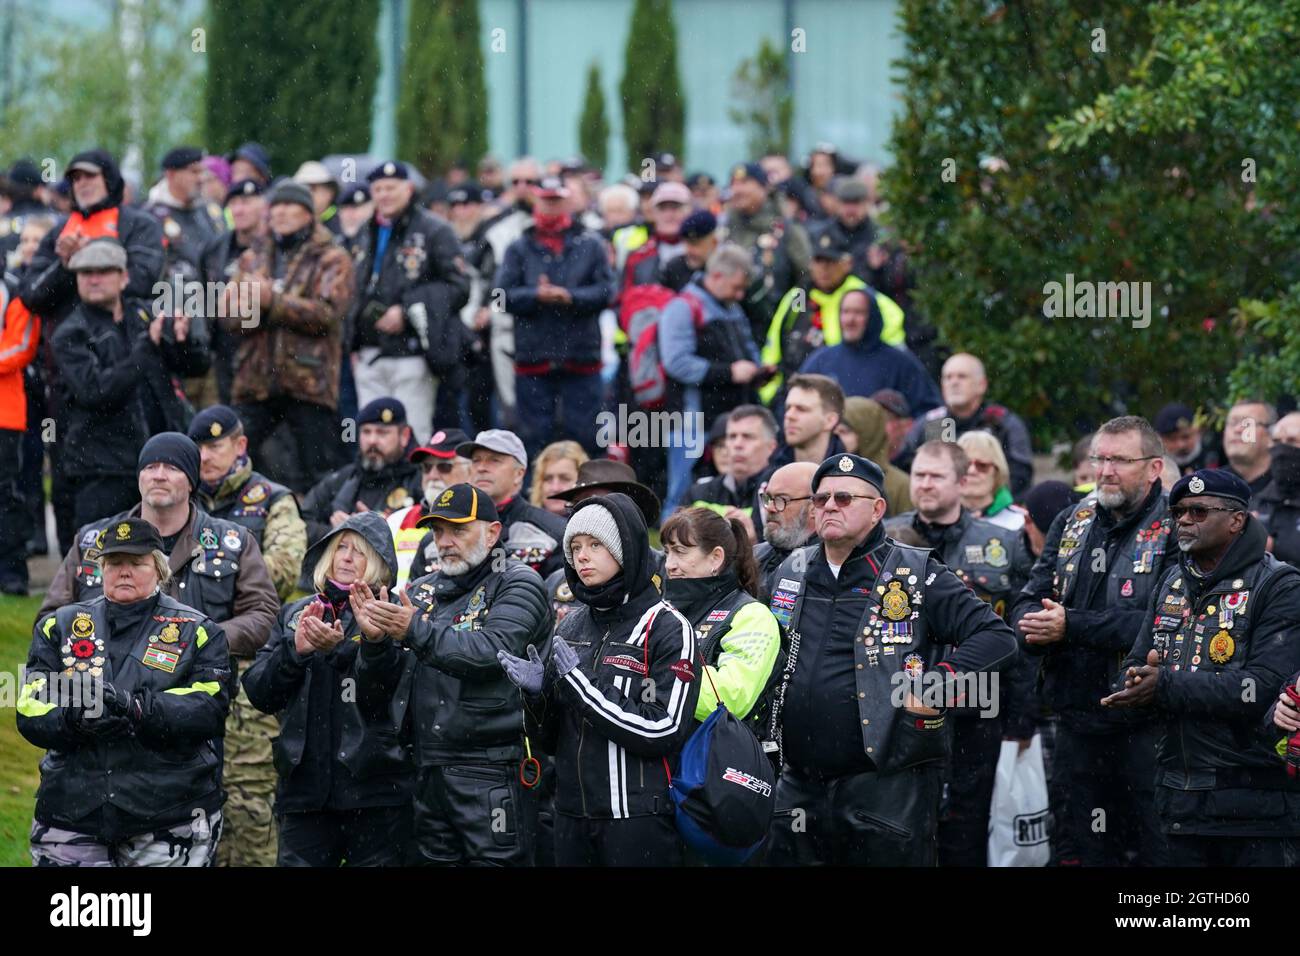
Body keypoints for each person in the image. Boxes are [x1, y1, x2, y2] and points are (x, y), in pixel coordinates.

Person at [763, 453, 1020, 865]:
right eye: (821, 498)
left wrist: (936, 685)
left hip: (884, 785)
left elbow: (997, 638)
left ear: (877, 508)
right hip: (799, 783)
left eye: (844, 498)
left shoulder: (916, 571)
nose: (829, 506)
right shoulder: (791, 569)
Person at [41, 431, 281, 866]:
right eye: (150, 466)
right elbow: (51, 618)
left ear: (191, 479)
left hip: (195, 714)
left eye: (171, 467)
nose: (158, 475)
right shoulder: (95, 540)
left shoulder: (231, 542)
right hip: (97, 729)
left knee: (220, 833)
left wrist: (189, 644)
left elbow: (264, 614)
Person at [1105, 469, 1300, 866]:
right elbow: (1139, 662)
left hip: (1254, 807)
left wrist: (1164, 686)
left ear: (1236, 520)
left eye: (1198, 511)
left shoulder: (1279, 585)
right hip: (1178, 800)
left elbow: (1261, 688)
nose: (1184, 521)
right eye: (1178, 512)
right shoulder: (1172, 582)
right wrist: (1134, 683)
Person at [352, 483, 552, 865]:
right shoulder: (421, 590)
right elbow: (375, 693)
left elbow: (492, 653)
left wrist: (413, 631)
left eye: (457, 529)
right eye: (438, 530)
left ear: (493, 532)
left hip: (492, 767)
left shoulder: (519, 582)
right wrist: (375, 644)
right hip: (424, 767)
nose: (444, 541)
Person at [499, 494, 699, 866]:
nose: (582, 557)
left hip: (636, 819)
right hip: (571, 815)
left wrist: (581, 685)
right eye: (574, 547)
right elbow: (548, 739)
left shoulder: (667, 626)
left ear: (625, 548)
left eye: (596, 544)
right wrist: (536, 698)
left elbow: (663, 729)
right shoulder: (572, 621)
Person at [18, 517, 231, 866]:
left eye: (137, 563)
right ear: (101, 569)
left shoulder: (199, 630)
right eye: (115, 563)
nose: (125, 571)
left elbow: (209, 707)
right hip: (72, 811)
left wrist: (138, 709)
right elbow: (30, 707)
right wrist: (75, 719)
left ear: (159, 569)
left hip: (168, 815)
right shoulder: (59, 626)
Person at [1013, 416, 1174, 867]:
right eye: (1099, 459)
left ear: (1154, 468)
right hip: (1075, 722)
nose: (1104, 470)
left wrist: (1071, 625)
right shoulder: (1072, 519)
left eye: (1120, 460)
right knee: (1079, 850)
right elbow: (1030, 598)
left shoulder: (1177, 529)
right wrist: (1033, 626)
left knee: (1153, 851)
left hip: (1145, 725)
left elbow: (1164, 624)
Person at [886, 440, 1036, 865]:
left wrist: (1021, 716)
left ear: (961, 480)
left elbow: (1020, 636)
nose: (925, 484)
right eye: (918, 475)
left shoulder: (1003, 544)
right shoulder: (885, 538)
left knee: (965, 831)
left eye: (936, 476)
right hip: (901, 707)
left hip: (977, 710)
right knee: (901, 826)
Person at [242, 512, 414, 866]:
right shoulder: (295, 612)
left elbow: (383, 692)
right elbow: (259, 692)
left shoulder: (393, 613)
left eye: (360, 551)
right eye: (341, 548)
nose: (347, 558)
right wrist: (296, 652)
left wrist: (364, 645)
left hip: (376, 792)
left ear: (380, 563)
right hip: (304, 794)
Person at [50, 239, 209, 531]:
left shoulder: (146, 314)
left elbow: (196, 367)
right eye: (86, 273)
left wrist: (185, 341)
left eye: (103, 271)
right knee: (99, 558)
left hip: (162, 462)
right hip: (102, 466)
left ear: (124, 277)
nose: (94, 279)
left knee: (168, 557)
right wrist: (147, 346)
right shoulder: (69, 332)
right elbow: (96, 391)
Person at [224, 179, 356, 492]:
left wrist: (273, 301)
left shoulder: (332, 258)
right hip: (256, 380)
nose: (280, 212)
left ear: (309, 213)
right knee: (235, 461)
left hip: (308, 379)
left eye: (289, 206)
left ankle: (322, 530)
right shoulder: (252, 257)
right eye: (276, 206)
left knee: (318, 471)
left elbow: (327, 314)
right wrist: (245, 306)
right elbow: (230, 319)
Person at [350, 161, 470, 443]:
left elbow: (459, 287)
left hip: (413, 354)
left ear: (409, 188)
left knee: (411, 437)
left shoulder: (434, 230)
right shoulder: (363, 232)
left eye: (391, 188)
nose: (384, 195)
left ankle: (413, 488)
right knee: (371, 440)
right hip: (368, 352)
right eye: (378, 189)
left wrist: (407, 310)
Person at [496, 176, 614, 458]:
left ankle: (591, 496)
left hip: (580, 358)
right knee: (534, 439)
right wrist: (536, 295)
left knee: (587, 437)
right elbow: (501, 296)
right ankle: (535, 496)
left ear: (568, 201)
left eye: (556, 200)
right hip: (534, 358)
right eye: (546, 200)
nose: (551, 206)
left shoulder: (591, 244)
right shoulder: (519, 247)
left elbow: (609, 291)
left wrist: (571, 297)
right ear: (537, 201)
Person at [659, 243, 770, 509]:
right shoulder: (682, 307)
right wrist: (729, 373)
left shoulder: (732, 307)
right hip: (692, 422)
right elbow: (676, 362)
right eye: (736, 287)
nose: (740, 294)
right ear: (717, 276)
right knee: (682, 494)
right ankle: (670, 546)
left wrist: (756, 371)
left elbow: (747, 348)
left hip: (728, 419)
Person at [661, 507, 782, 732]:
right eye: (667, 552)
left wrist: (656, 671)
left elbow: (731, 699)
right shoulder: (663, 610)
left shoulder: (752, 616)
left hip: (717, 759)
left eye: (680, 551)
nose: (669, 564)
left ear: (716, 557)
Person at [760, 230, 909, 406]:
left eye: (831, 262)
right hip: (797, 396)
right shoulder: (799, 297)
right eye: (818, 261)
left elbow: (890, 355)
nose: (824, 269)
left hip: (848, 399)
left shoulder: (863, 298)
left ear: (847, 263)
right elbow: (775, 348)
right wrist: (770, 396)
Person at [19, 149, 164, 323]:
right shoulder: (58, 232)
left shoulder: (140, 224)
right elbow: (31, 297)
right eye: (76, 178)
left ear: (108, 178)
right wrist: (64, 266)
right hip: (67, 341)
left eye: (90, 176)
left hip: (127, 337)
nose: (82, 183)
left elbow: (144, 282)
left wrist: (89, 260)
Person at [188, 405, 308, 602]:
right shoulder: (183, 496)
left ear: (240, 446)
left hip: (251, 614)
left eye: (214, 446)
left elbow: (286, 571)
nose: (204, 457)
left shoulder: (274, 499)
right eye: (198, 448)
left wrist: (220, 570)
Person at [545, 458, 665, 622]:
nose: (585, 512)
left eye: (600, 503)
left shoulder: (669, 572)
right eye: (577, 504)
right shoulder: (555, 581)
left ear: (630, 510)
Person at [898, 353, 1034, 495]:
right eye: (948, 377)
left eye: (962, 376)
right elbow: (904, 467)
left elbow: (1020, 477)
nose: (954, 382)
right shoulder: (931, 423)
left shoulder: (1002, 423)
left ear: (982, 384)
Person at [796, 287, 940, 415]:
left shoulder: (900, 363)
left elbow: (933, 412)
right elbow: (794, 406)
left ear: (873, 317)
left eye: (859, 312)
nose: (850, 320)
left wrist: (917, 440)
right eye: (845, 312)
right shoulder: (820, 361)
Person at [300, 397, 424, 544]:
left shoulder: (422, 478)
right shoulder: (344, 477)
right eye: (366, 432)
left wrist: (375, 530)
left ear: (404, 436)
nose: (372, 440)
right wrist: (338, 533)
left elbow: (431, 532)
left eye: (382, 433)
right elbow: (300, 523)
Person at [719, 162, 811, 344]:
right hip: (731, 328)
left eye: (745, 182)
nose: (737, 190)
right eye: (734, 184)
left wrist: (793, 321)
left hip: (775, 326)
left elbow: (805, 277)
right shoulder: (725, 227)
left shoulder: (787, 229)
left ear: (764, 187)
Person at [198, 179, 268, 405]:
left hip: (264, 352)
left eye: (247, 202)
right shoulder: (215, 248)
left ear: (263, 205)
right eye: (234, 203)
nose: (239, 209)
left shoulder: (275, 248)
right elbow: (204, 294)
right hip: (224, 351)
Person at [387, 428, 472, 589]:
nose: (432, 475)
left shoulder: (483, 523)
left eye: (444, 467)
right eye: (426, 467)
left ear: (471, 471)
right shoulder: (396, 520)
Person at [686, 404, 778, 545]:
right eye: (732, 437)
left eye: (747, 437)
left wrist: (755, 543)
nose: (737, 444)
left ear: (771, 447)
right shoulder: (699, 492)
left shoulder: (782, 492)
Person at [0, 272, 40, 594]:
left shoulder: (14, 289)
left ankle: (12, 571)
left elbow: (23, 345)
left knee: (6, 494)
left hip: (5, 413)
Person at [145, 146, 225, 283]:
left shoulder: (211, 212)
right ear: (171, 175)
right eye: (194, 172)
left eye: (202, 172)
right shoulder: (150, 217)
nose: (201, 179)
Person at [835, 396, 912, 516]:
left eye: (844, 432)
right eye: (834, 432)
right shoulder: (826, 476)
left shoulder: (900, 486)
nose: (837, 439)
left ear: (866, 435)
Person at [753, 461, 817, 603]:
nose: (769, 507)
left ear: (813, 507)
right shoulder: (754, 557)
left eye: (782, 499)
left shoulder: (830, 563)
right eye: (768, 498)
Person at [619, 180, 691, 290]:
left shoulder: (703, 253)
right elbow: (623, 298)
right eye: (662, 208)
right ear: (654, 213)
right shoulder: (638, 256)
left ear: (689, 211)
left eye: (675, 207)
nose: (669, 214)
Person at [771, 372, 848, 468]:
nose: (789, 416)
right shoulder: (770, 475)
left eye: (801, 409)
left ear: (830, 421)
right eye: (788, 408)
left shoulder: (852, 478)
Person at [1254, 411, 1300, 568]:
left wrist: (1273, 547)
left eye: (1292, 441)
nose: (1282, 448)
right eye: (1276, 441)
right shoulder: (1259, 500)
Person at [958, 431, 1026, 531]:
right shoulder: (935, 520)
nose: (971, 471)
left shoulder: (1020, 523)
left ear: (997, 472)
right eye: (964, 464)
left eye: (982, 465)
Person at [1222, 398, 1276, 500]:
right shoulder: (1210, 486)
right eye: (1232, 423)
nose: (1237, 429)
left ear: (1271, 435)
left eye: (1248, 423)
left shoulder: (1287, 486)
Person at [1153, 402, 1221, 476]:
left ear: (1197, 431)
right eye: (1172, 439)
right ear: (1160, 439)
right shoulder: (1154, 470)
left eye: (1186, 437)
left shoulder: (1217, 455)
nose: (1180, 445)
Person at [659, 209, 718, 292]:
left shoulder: (723, 269)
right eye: (686, 243)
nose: (689, 250)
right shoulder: (674, 268)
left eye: (695, 244)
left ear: (714, 242)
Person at [292, 160, 341, 235]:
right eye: (301, 188)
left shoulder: (342, 222)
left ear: (330, 192)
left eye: (313, 188)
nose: (306, 193)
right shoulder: (293, 223)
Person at [871, 388, 913, 462]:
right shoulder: (858, 463)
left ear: (906, 426)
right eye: (872, 418)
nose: (876, 425)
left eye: (885, 418)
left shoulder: (916, 465)